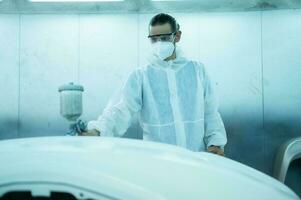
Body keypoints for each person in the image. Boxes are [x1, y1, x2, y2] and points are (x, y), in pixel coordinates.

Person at [80, 13, 227, 156]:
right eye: (154, 39)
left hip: (196, 158)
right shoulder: (141, 76)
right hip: (158, 162)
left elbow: (210, 112)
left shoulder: (197, 71)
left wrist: (215, 143)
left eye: (164, 38)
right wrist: (98, 131)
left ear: (177, 36)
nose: (159, 44)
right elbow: (121, 110)